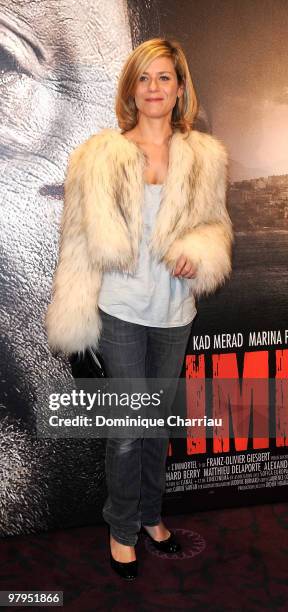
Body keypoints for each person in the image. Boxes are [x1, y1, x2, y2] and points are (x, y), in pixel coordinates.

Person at [45, 37, 233, 580]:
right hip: (120, 311)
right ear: (132, 87)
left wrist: (199, 253)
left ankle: (152, 517)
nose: (154, 88)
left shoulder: (204, 156)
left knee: (157, 425)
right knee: (129, 428)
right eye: (144, 78)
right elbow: (76, 244)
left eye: (164, 78)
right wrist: (75, 329)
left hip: (175, 313)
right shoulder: (98, 155)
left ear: (180, 88)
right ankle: (122, 528)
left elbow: (215, 227)